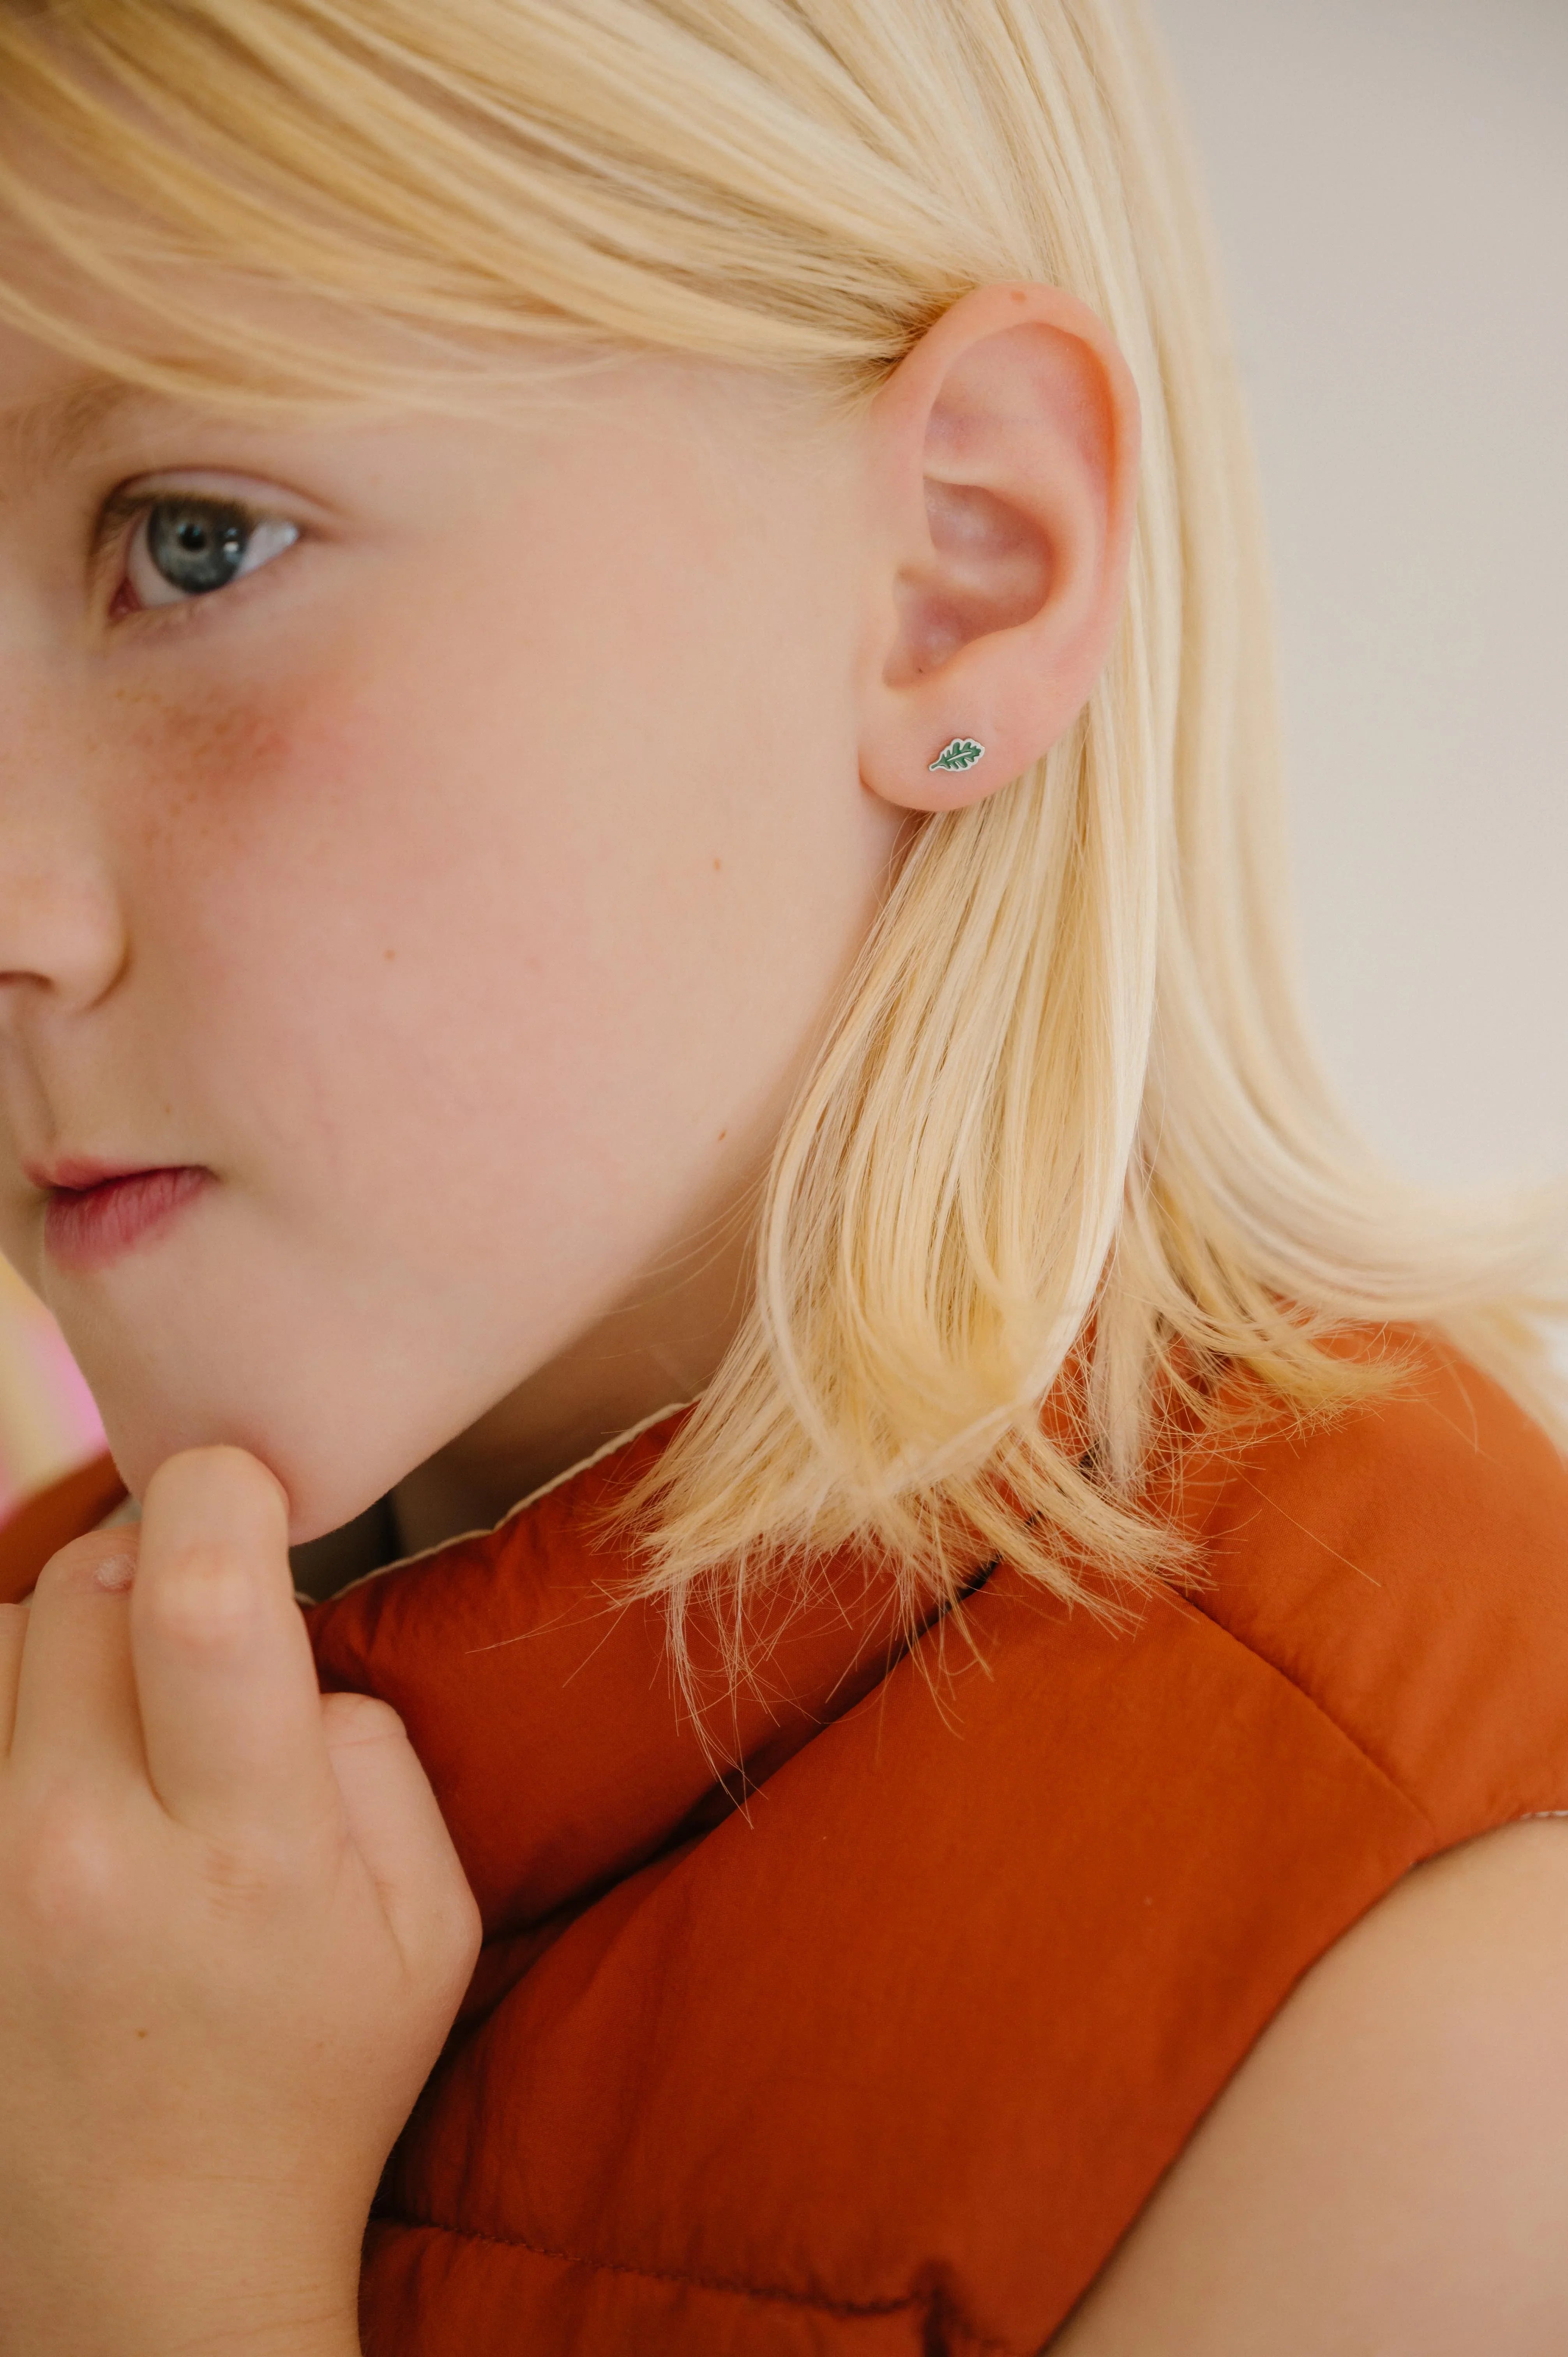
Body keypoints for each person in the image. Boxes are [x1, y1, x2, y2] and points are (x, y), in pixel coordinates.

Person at [0, 0, 1564, 2349]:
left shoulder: (1454, 2008)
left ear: (959, 567)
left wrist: (151, 2267)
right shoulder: (74, 1695)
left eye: (195, 542)